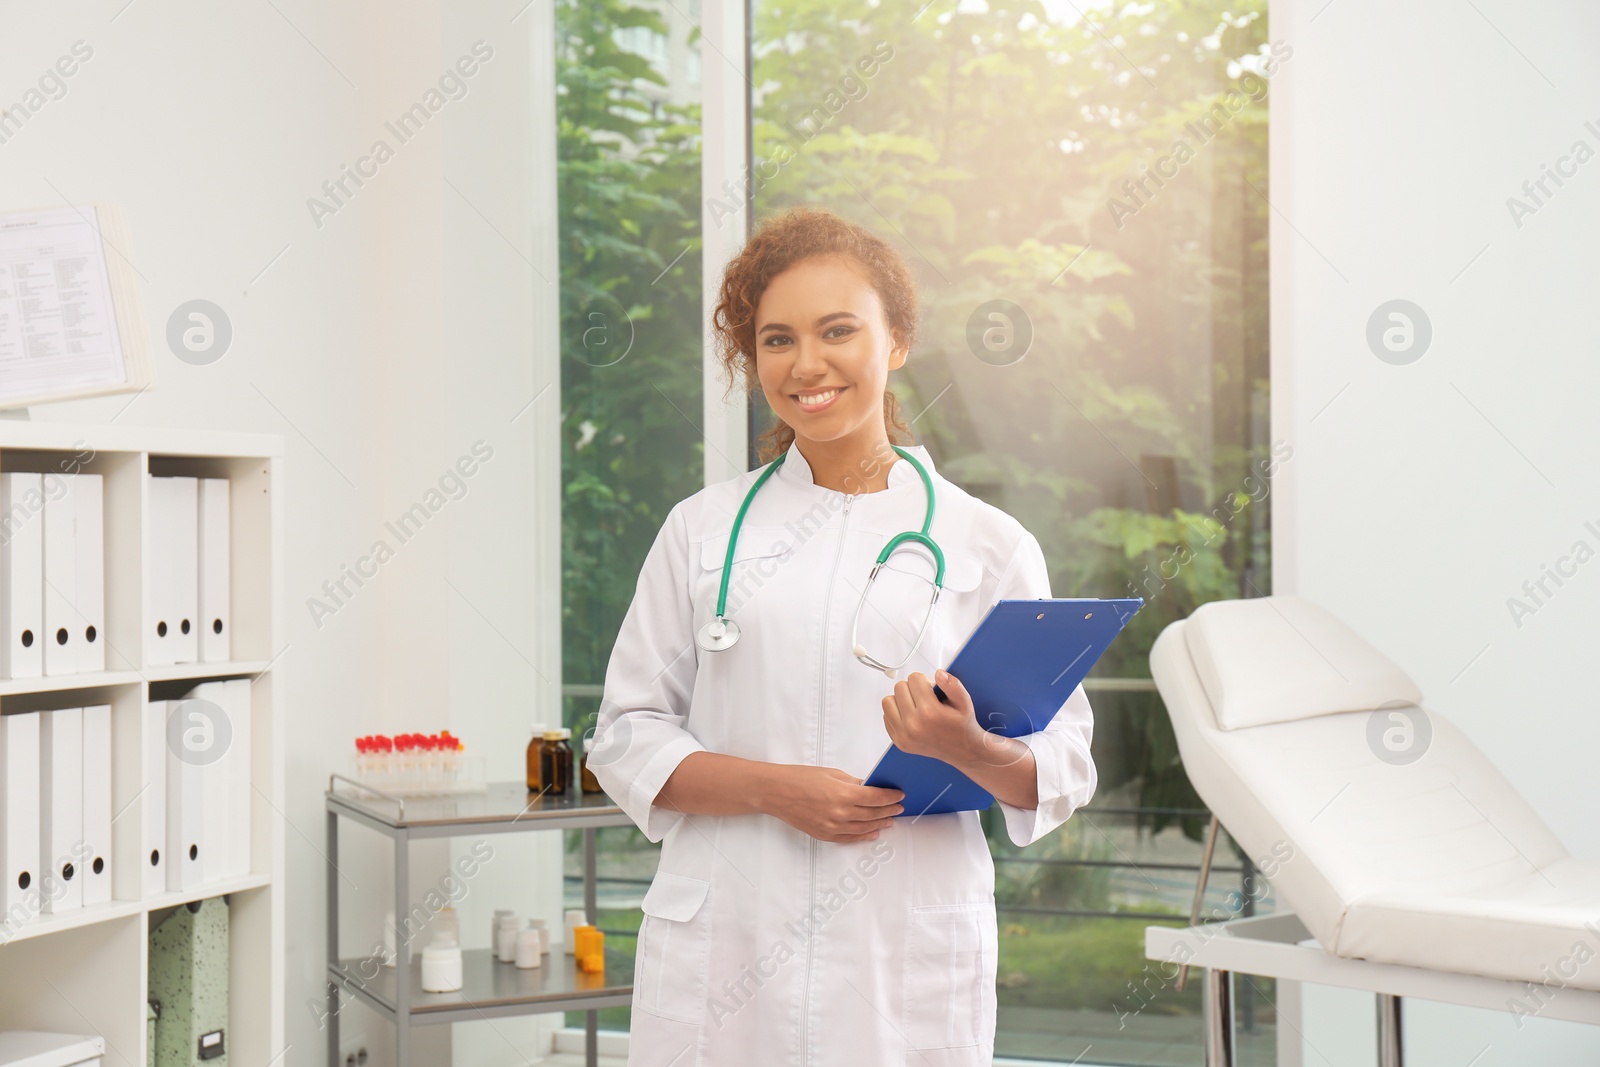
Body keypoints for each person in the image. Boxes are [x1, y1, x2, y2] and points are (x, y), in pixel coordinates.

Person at [588, 205, 1096, 1066]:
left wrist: (968, 745)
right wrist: (778, 788)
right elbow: (626, 737)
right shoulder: (701, 529)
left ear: (895, 342)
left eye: (837, 331)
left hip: (901, 941)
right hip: (729, 939)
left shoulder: (987, 543)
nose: (807, 364)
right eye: (777, 339)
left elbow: (1064, 766)